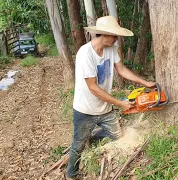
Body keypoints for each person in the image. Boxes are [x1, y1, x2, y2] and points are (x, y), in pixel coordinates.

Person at [66, 16, 155, 179]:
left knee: (117, 136)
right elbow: (93, 87)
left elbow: (121, 70)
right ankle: (71, 174)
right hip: (85, 109)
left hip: (105, 108)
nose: (116, 39)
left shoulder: (111, 49)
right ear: (103, 34)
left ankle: (91, 137)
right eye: (114, 35)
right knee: (78, 144)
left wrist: (145, 82)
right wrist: (120, 103)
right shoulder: (85, 54)